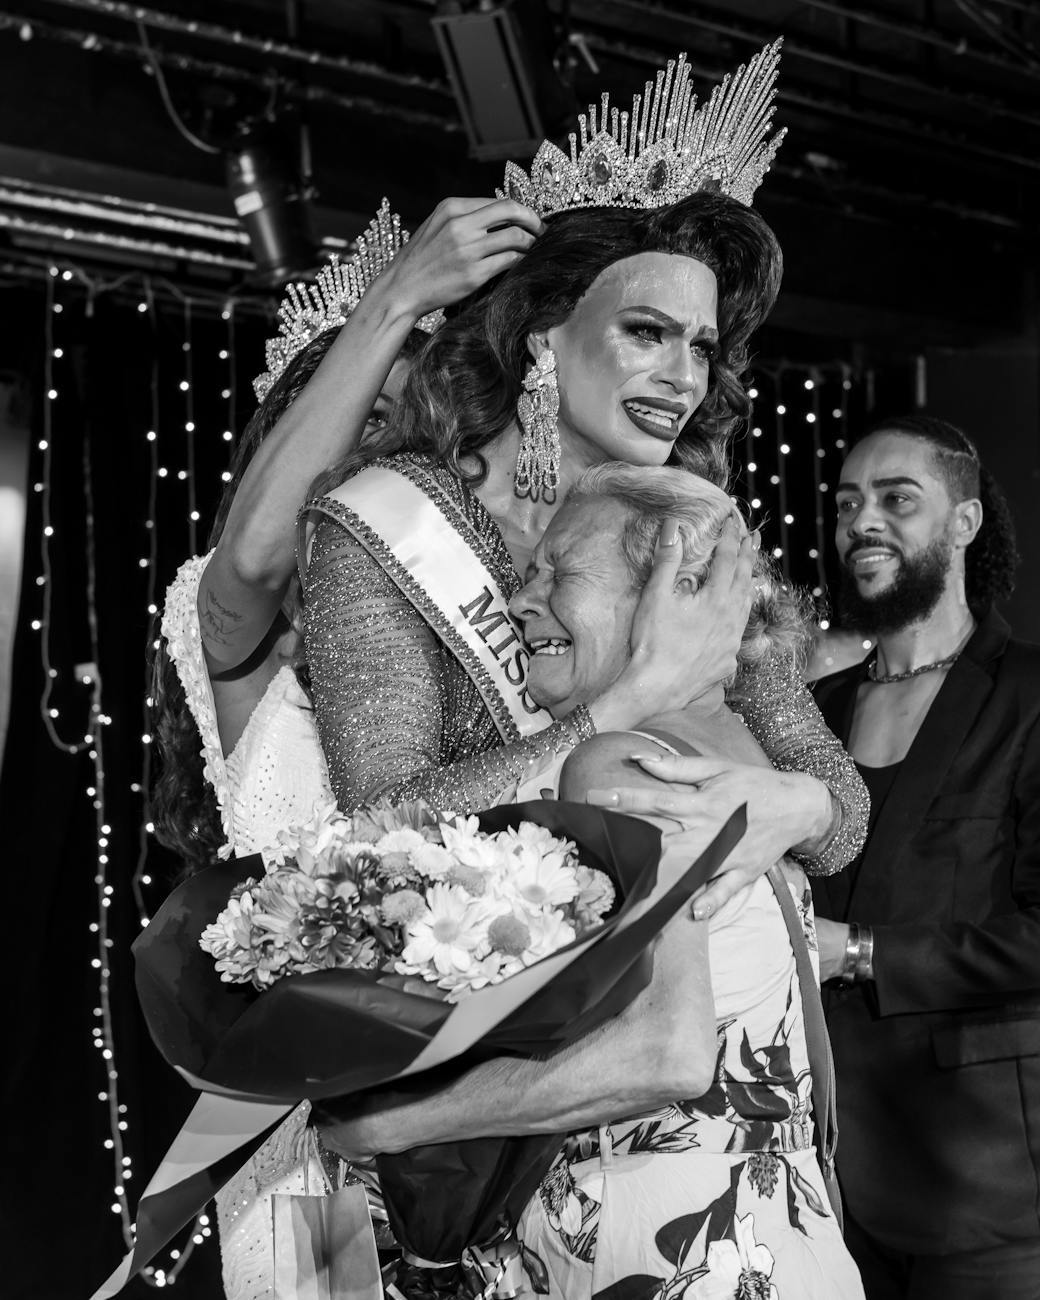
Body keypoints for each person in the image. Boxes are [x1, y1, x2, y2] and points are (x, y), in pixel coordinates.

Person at [301, 44, 868, 899]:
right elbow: (379, 832)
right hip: (509, 995)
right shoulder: (387, 526)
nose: (684, 376)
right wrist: (630, 700)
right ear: (544, 338)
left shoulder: (690, 529)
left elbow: (843, 805)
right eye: (647, 331)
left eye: (703, 347)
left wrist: (800, 807)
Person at [318, 465, 865, 1299]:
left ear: (674, 591)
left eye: (558, 573)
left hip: (657, 1242)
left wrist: (399, 1122)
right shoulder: (745, 758)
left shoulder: (620, 761)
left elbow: (665, 1053)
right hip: (785, 1233)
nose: (519, 601)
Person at [809, 415, 1040, 1299]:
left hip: (988, 1194)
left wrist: (859, 953)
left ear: (966, 523)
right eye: (846, 504)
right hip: (821, 1187)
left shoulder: (1029, 698)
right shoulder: (810, 713)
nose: (862, 521)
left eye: (897, 499)